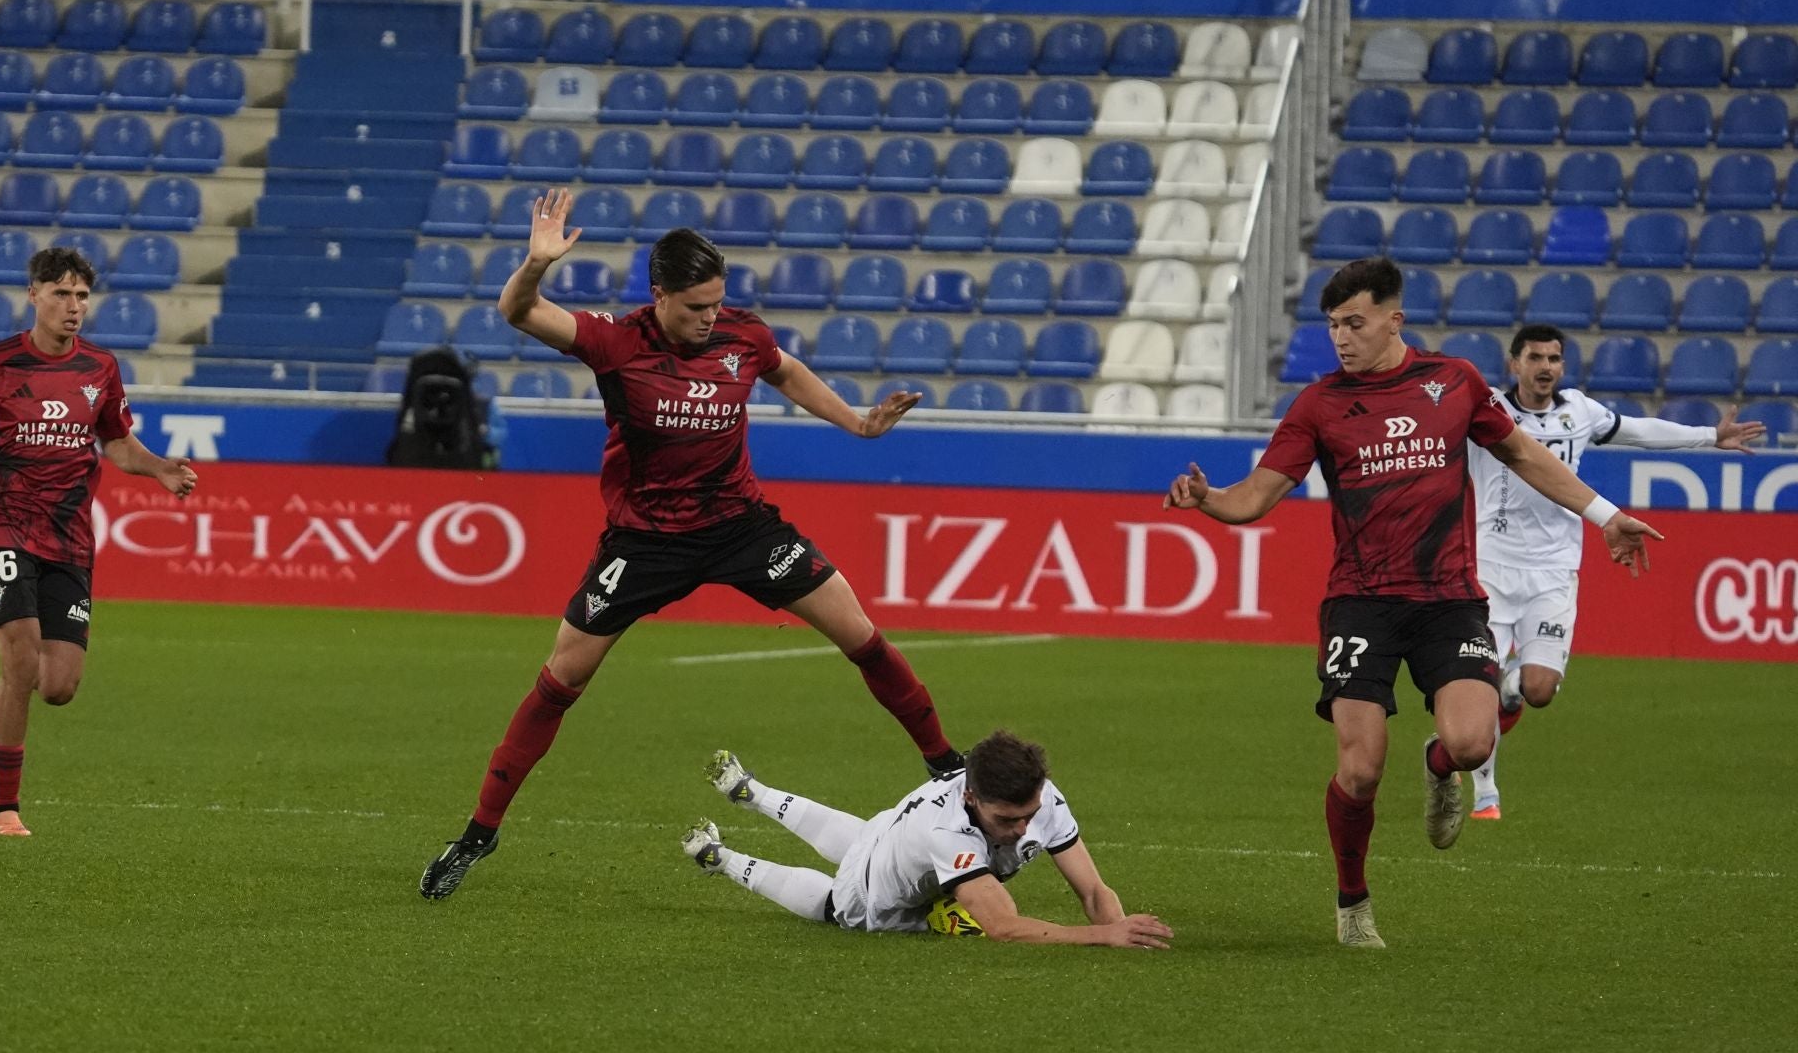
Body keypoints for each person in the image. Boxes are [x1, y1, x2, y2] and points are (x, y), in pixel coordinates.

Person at [420, 190, 961, 900]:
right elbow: (519, 313)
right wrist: (534, 265)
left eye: (717, 304)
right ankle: (479, 833)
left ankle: (947, 765)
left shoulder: (743, 335)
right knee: (560, 680)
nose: (711, 319)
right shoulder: (617, 340)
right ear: (660, 294)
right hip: (645, 542)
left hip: (743, 527)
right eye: (696, 307)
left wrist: (856, 424)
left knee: (860, 633)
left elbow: (785, 370)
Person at [1163, 257, 1660, 948]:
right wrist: (1207, 500)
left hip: (1449, 600)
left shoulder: (1453, 382)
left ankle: (1438, 768)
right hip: (1360, 601)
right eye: (1333, 324)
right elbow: (1255, 495)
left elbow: (1523, 454)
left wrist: (1606, 514)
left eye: (1356, 323)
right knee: (1361, 767)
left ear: (1394, 319)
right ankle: (1352, 901)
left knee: (1470, 741)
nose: (1342, 337)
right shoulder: (1319, 404)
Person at [0, 247, 198, 838]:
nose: (73, 307)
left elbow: (119, 444)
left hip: (69, 536)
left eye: (81, 297)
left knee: (59, 687)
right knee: (20, 663)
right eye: (61, 295)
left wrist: (160, 469)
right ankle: (3, 810)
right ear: (34, 296)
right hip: (2, 523)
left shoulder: (100, 367)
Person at [1467, 325, 1764, 818]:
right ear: (1514, 363)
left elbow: (1639, 430)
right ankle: (1485, 792)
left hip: (1555, 569)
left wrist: (1709, 435)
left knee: (1537, 689)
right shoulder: (1487, 410)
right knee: (1477, 688)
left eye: (1554, 358)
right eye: (1535, 357)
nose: (1545, 367)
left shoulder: (1578, 411)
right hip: (1488, 569)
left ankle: (1511, 691)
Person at [682, 734, 1173, 949]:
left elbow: (1091, 891)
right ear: (973, 797)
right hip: (875, 893)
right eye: (1008, 819)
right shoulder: (948, 832)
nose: (1024, 828)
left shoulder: (1041, 798)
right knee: (837, 903)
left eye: (1030, 814)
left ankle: (754, 793)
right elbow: (1002, 926)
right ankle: (720, 858)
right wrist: (1101, 936)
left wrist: (1120, 928)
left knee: (860, 835)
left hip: (891, 830)